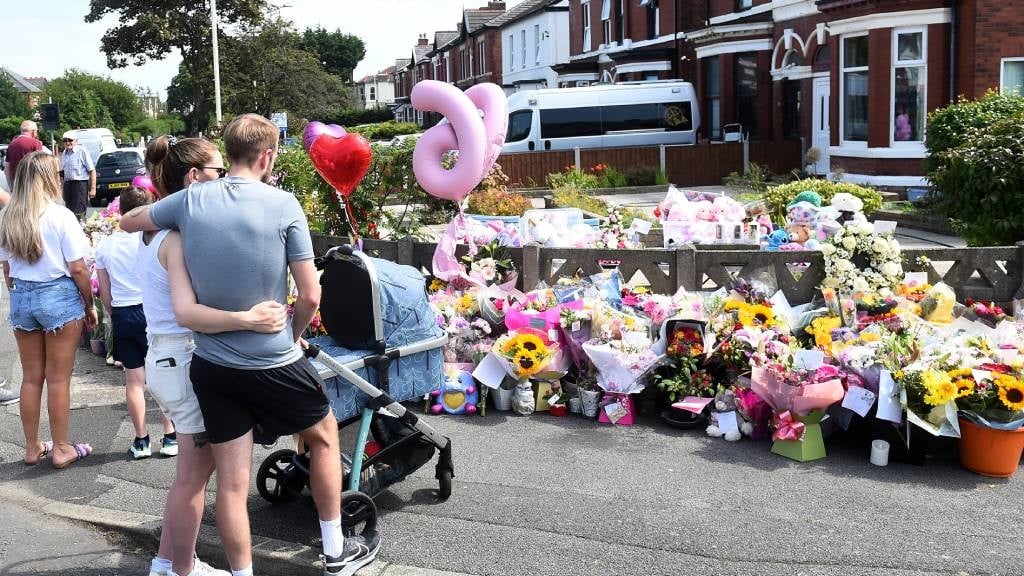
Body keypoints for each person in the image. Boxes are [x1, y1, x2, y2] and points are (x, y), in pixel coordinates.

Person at [121, 115, 378, 576]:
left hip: (212, 367)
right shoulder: (283, 205)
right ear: (268, 156)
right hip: (272, 359)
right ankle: (335, 551)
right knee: (321, 437)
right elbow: (311, 294)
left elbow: (128, 220)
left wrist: (176, 202)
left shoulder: (190, 200)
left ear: (229, 151)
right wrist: (291, 335)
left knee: (232, 485)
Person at [140, 135, 288, 576]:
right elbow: (190, 313)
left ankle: (168, 562)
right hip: (183, 358)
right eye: (217, 173)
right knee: (193, 477)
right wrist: (250, 318)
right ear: (194, 178)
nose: (224, 180)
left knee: (191, 475)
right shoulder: (178, 237)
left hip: (167, 357)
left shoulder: (159, 231)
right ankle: (181, 569)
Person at [0, 152, 98, 468]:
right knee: (58, 380)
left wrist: (16, 293)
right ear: (48, 179)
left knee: (31, 378)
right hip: (58, 297)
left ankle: (31, 448)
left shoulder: (7, 217)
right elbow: (79, 269)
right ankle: (61, 449)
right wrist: (89, 304)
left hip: (21, 297)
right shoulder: (60, 216)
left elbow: (7, 269)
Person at [96, 186, 177, 460]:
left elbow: (104, 292)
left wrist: (112, 311)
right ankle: (169, 436)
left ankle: (141, 440)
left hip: (123, 313)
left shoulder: (106, 245)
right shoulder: (151, 240)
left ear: (120, 210)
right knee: (161, 376)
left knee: (134, 381)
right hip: (150, 312)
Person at [3, 120, 44, 202]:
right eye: (36, 131)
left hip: (17, 184)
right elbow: (42, 165)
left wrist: (11, 187)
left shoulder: (11, 145)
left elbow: (7, 169)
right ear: (33, 132)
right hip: (32, 184)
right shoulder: (35, 143)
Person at [58, 131, 96, 220]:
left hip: (80, 185)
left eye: (70, 140)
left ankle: (81, 231)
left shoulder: (82, 151)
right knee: (69, 213)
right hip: (68, 185)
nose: (67, 143)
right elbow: (62, 172)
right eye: (65, 140)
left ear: (76, 141)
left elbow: (92, 170)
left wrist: (93, 188)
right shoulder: (64, 153)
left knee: (79, 213)